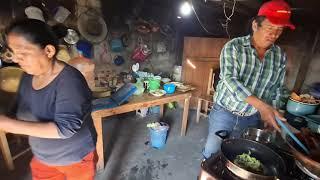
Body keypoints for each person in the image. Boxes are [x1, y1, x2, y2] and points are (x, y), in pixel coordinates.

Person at [0, 19, 97, 180]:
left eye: (23, 54)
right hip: (43, 156)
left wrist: (9, 125)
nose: (16, 60)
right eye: (14, 54)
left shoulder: (70, 82)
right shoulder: (27, 76)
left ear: (49, 51)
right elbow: (17, 110)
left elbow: (65, 129)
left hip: (75, 157)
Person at [202, 0, 295, 159]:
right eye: (270, 28)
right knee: (212, 154)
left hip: (252, 118)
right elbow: (229, 79)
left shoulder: (279, 56)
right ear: (255, 25)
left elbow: (278, 89)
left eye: (279, 30)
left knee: (239, 156)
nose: (274, 34)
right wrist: (263, 107)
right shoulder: (234, 47)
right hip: (224, 112)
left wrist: (275, 111)